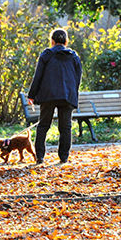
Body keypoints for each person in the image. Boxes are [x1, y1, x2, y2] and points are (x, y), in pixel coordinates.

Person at [27, 28, 82, 164]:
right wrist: (73, 93)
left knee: (43, 125)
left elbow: (38, 76)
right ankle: (64, 157)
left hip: (48, 95)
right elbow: (78, 76)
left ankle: (39, 156)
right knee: (65, 127)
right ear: (66, 41)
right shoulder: (74, 56)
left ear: (52, 41)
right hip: (67, 95)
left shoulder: (46, 55)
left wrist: (31, 95)